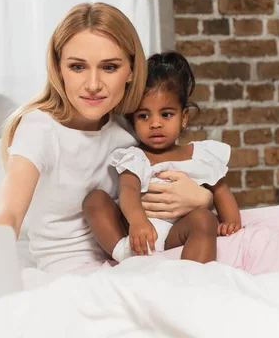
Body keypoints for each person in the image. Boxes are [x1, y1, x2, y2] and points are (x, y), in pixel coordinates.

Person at [0, 2, 279, 275]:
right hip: (88, 265)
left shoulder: (125, 127)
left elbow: (170, 175)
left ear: (131, 70)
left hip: (151, 237)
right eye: (77, 67)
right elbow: (8, 216)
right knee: (261, 244)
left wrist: (202, 199)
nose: (92, 84)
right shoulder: (40, 128)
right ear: (58, 68)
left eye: (109, 67)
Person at [84, 52, 241, 265]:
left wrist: (231, 221)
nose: (155, 124)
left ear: (183, 117)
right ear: (132, 121)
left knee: (205, 219)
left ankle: (195, 276)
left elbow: (220, 190)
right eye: (144, 116)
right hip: (136, 234)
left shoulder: (199, 155)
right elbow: (128, 192)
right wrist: (138, 222)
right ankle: (125, 256)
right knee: (95, 200)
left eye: (166, 114)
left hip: (175, 234)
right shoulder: (135, 157)